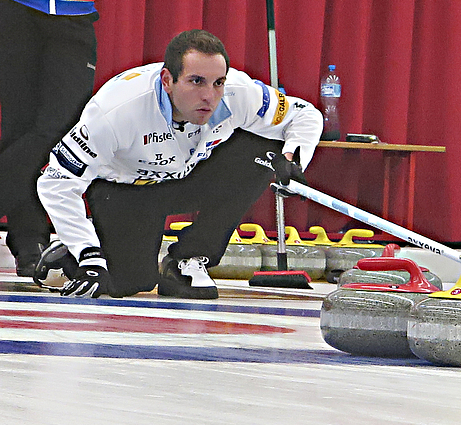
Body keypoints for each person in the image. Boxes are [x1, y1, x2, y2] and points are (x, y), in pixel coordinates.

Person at [35, 29, 322, 299]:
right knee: (131, 282)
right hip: (127, 190)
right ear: (167, 80)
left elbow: (305, 115)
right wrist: (89, 255)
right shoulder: (115, 111)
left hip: (189, 176)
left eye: (218, 82)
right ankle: (77, 248)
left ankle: (189, 258)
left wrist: (293, 159)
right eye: (196, 81)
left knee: (267, 146)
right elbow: (56, 182)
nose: (209, 96)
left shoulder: (238, 93)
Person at [0, 0, 101, 277]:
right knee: (19, 127)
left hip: (75, 7)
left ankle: (31, 241)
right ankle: (29, 242)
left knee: (59, 130)